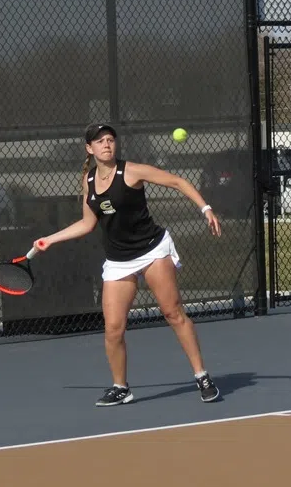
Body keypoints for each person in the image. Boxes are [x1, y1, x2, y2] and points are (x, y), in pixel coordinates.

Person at [33, 123, 223, 407]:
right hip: (118, 260)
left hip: (152, 250)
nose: (106, 144)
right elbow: (88, 223)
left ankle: (202, 376)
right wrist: (51, 239)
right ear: (90, 148)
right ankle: (121, 387)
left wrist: (205, 209)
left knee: (172, 313)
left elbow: (177, 182)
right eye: (99, 141)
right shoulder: (88, 181)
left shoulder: (132, 171)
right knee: (113, 328)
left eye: (110, 139)